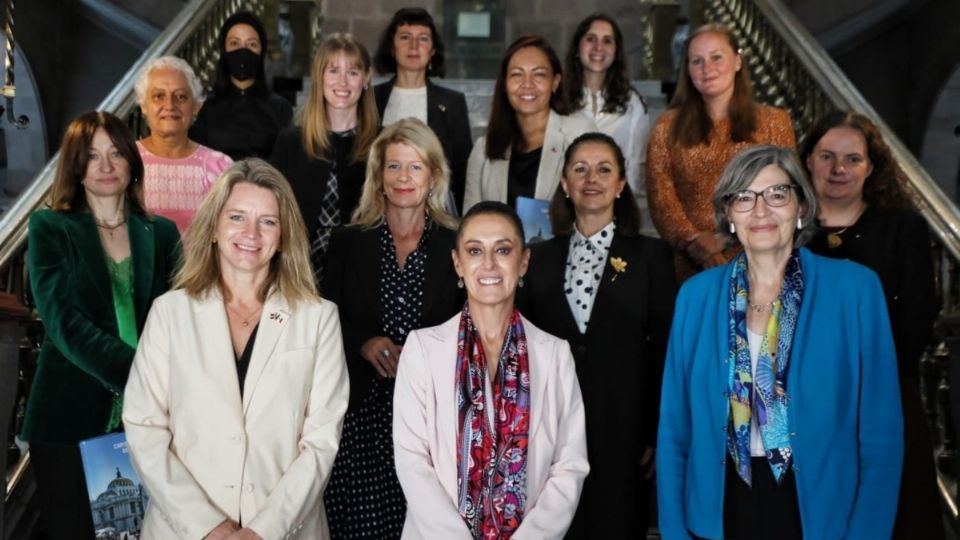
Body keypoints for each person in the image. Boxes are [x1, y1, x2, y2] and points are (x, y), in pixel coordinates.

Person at [657, 145, 903, 539]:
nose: (760, 211)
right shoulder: (696, 296)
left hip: (818, 509)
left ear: (801, 206)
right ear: (728, 215)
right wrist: (673, 529)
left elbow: (881, 433)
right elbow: (674, 428)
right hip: (718, 506)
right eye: (743, 197)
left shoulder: (855, 291)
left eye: (776, 194)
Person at [123, 159, 349, 539]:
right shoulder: (170, 313)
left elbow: (321, 442)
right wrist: (207, 527)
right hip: (184, 530)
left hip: (285, 530)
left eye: (268, 221)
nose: (252, 233)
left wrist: (263, 530)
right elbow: (144, 428)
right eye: (237, 217)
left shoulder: (319, 318)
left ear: (283, 237)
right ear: (213, 227)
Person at [22, 111, 181, 540]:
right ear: (76, 165)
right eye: (92, 156)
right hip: (66, 418)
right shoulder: (49, 228)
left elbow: (181, 318)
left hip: (151, 420)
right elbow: (63, 322)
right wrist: (143, 373)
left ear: (132, 161)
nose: (106, 166)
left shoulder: (162, 234)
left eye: (115, 154)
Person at [393, 201, 589, 539]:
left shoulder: (555, 355)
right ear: (458, 263)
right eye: (474, 250)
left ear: (524, 261)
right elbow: (412, 462)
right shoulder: (422, 349)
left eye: (503, 250)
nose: (488, 264)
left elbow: (569, 465)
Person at [517, 132, 676, 538]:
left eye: (604, 169)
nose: (592, 178)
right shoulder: (537, 259)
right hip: (551, 432)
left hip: (626, 432)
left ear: (621, 185)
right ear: (565, 184)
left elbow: (664, 348)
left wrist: (657, 428)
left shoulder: (651, 256)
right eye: (580, 169)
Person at [801, 111, 943, 540]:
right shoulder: (785, 228)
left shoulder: (904, 229)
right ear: (807, 161)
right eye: (826, 156)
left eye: (852, 159)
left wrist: (864, 381)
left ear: (872, 167)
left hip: (884, 394)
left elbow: (918, 314)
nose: (838, 169)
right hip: (804, 401)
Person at [321, 118, 463, 539]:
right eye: (394, 167)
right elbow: (324, 318)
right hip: (361, 417)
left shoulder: (456, 244)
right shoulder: (347, 241)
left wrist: (421, 358)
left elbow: (470, 328)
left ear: (434, 176)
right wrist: (363, 343)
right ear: (379, 176)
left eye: (415, 167)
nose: (404, 178)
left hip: (429, 421)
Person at [646, 23, 795, 280]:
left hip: (759, 259)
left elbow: (785, 193)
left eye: (716, 57)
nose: (707, 68)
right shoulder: (666, 126)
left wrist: (724, 239)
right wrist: (695, 243)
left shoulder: (775, 122)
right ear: (688, 71)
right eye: (697, 61)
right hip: (691, 266)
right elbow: (661, 197)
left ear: (737, 61)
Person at [271, 32, 378, 282]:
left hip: (361, 277)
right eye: (333, 71)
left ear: (366, 79)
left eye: (352, 72)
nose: (343, 82)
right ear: (319, 77)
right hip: (297, 275)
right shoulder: (290, 143)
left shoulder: (382, 145)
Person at [464, 35, 595, 211]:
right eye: (517, 74)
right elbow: (470, 223)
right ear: (504, 84)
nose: (527, 84)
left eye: (539, 74)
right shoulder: (483, 149)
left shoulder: (579, 135)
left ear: (555, 82)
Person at [372, 7, 473, 214]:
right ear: (392, 47)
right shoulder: (371, 99)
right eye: (405, 37)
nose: (414, 46)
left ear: (433, 51)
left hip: (436, 213)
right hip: (378, 211)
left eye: (423, 39)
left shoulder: (452, 103)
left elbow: (463, 172)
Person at [135, 55, 233, 233]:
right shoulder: (124, 161)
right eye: (158, 96)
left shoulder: (220, 167)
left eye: (180, 96)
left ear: (196, 105)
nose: (169, 105)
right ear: (143, 105)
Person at [562, 14, 650, 206]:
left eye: (607, 41)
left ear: (616, 51)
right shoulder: (559, 100)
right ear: (577, 48)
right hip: (564, 205)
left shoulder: (632, 103)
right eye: (590, 39)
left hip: (616, 209)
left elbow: (636, 166)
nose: (598, 47)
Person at [190, 11, 294, 160]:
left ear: (261, 51)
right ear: (223, 50)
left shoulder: (280, 108)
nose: (243, 50)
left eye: (251, 44)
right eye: (234, 43)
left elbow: (288, 162)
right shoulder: (207, 108)